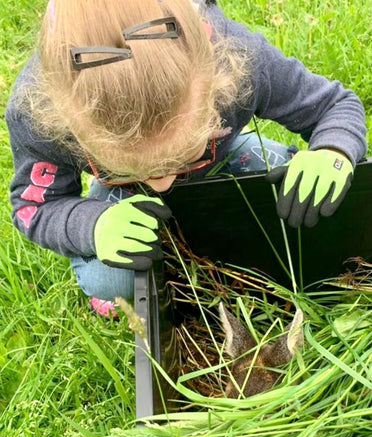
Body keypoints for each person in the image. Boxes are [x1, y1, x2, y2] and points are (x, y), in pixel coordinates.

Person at [6, 0, 367, 317]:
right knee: (111, 277)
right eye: (136, 166)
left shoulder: (236, 55)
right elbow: (33, 205)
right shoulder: (38, 112)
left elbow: (335, 106)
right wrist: (94, 226)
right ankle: (119, 278)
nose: (164, 184)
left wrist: (331, 152)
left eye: (185, 154)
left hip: (227, 160)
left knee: (303, 197)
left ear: (215, 86)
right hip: (125, 204)